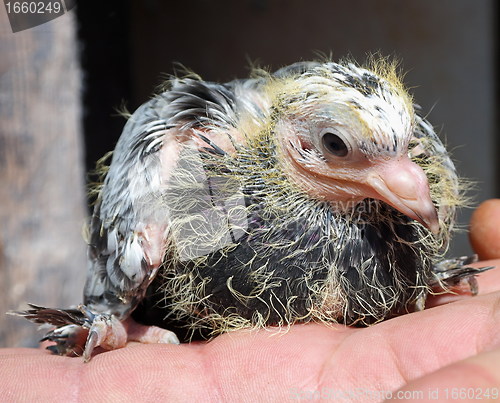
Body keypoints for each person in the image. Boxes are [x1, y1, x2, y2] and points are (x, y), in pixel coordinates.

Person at [1, 200, 499, 402]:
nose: (410, 183)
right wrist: (115, 315)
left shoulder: (395, 206)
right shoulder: (208, 191)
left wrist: (418, 282)